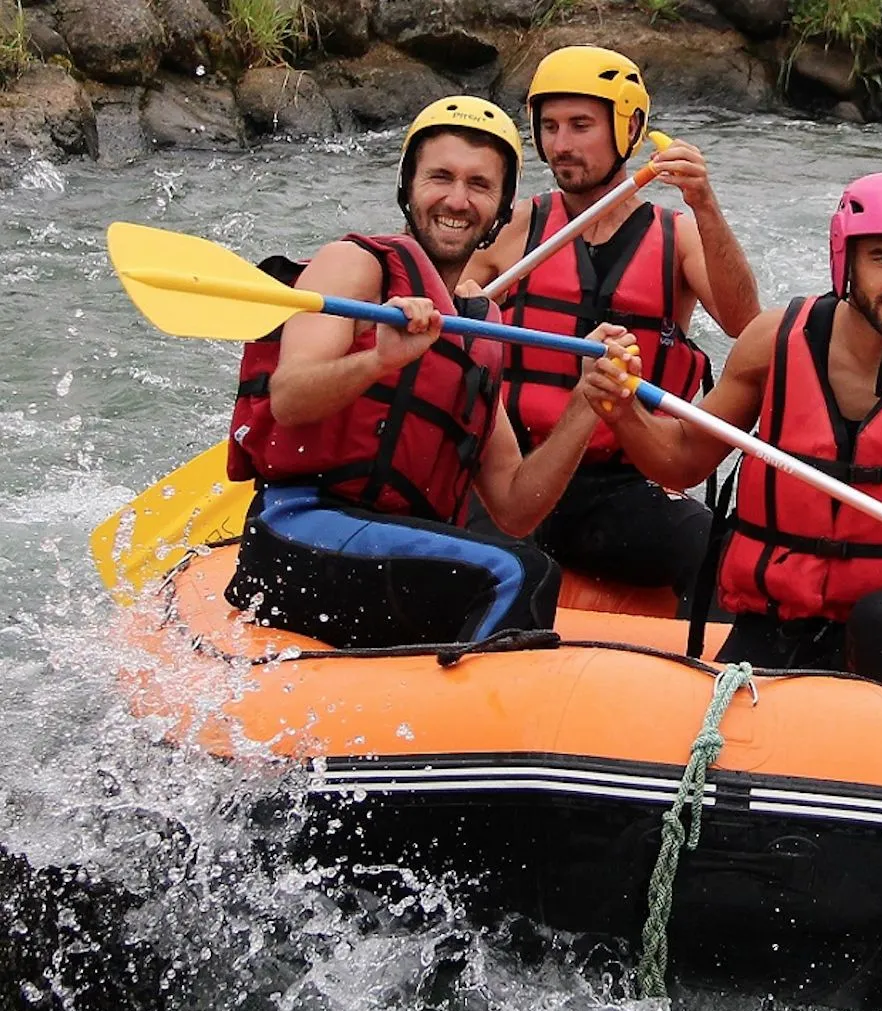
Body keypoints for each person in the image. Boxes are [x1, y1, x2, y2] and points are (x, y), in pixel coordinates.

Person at [578, 171, 882, 700]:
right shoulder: (773, 342)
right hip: (775, 622)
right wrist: (622, 411)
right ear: (847, 260)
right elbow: (683, 461)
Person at [223, 95, 636, 650]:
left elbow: (515, 507)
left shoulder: (478, 330)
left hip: (389, 551)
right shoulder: (355, 267)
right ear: (408, 185)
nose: (458, 200)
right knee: (517, 574)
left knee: (523, 556)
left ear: (501, 206)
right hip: (299, 528)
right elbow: (290, 398)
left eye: (480, 185)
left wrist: (586, 405)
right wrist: (379, 359)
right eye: (440, 177)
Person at [464, 46, 761, 615]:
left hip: (621, 489)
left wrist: (706, 206)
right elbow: (451, 304)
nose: (561, 145)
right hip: (517, 474)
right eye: (549, 126)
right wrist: (465, 302)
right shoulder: (517, 224)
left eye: (581, 125)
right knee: (496, 568)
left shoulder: (679, 236)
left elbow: (746, 326)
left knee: (726, 558)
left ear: (629, 130)